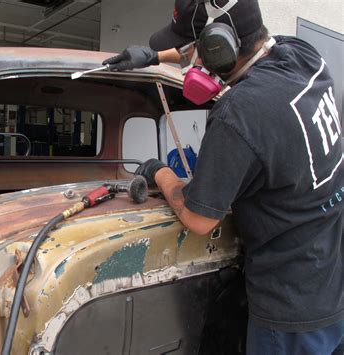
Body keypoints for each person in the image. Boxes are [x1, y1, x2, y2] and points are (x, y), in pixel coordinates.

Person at [103, 0, 343, 354]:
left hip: (290, 309)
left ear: (218, 48)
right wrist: (155, 58)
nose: (189, 57)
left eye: (193, 47)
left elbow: (199, 218)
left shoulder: (239, 113)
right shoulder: (301, 55)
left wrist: (161, 172)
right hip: (332, 283)